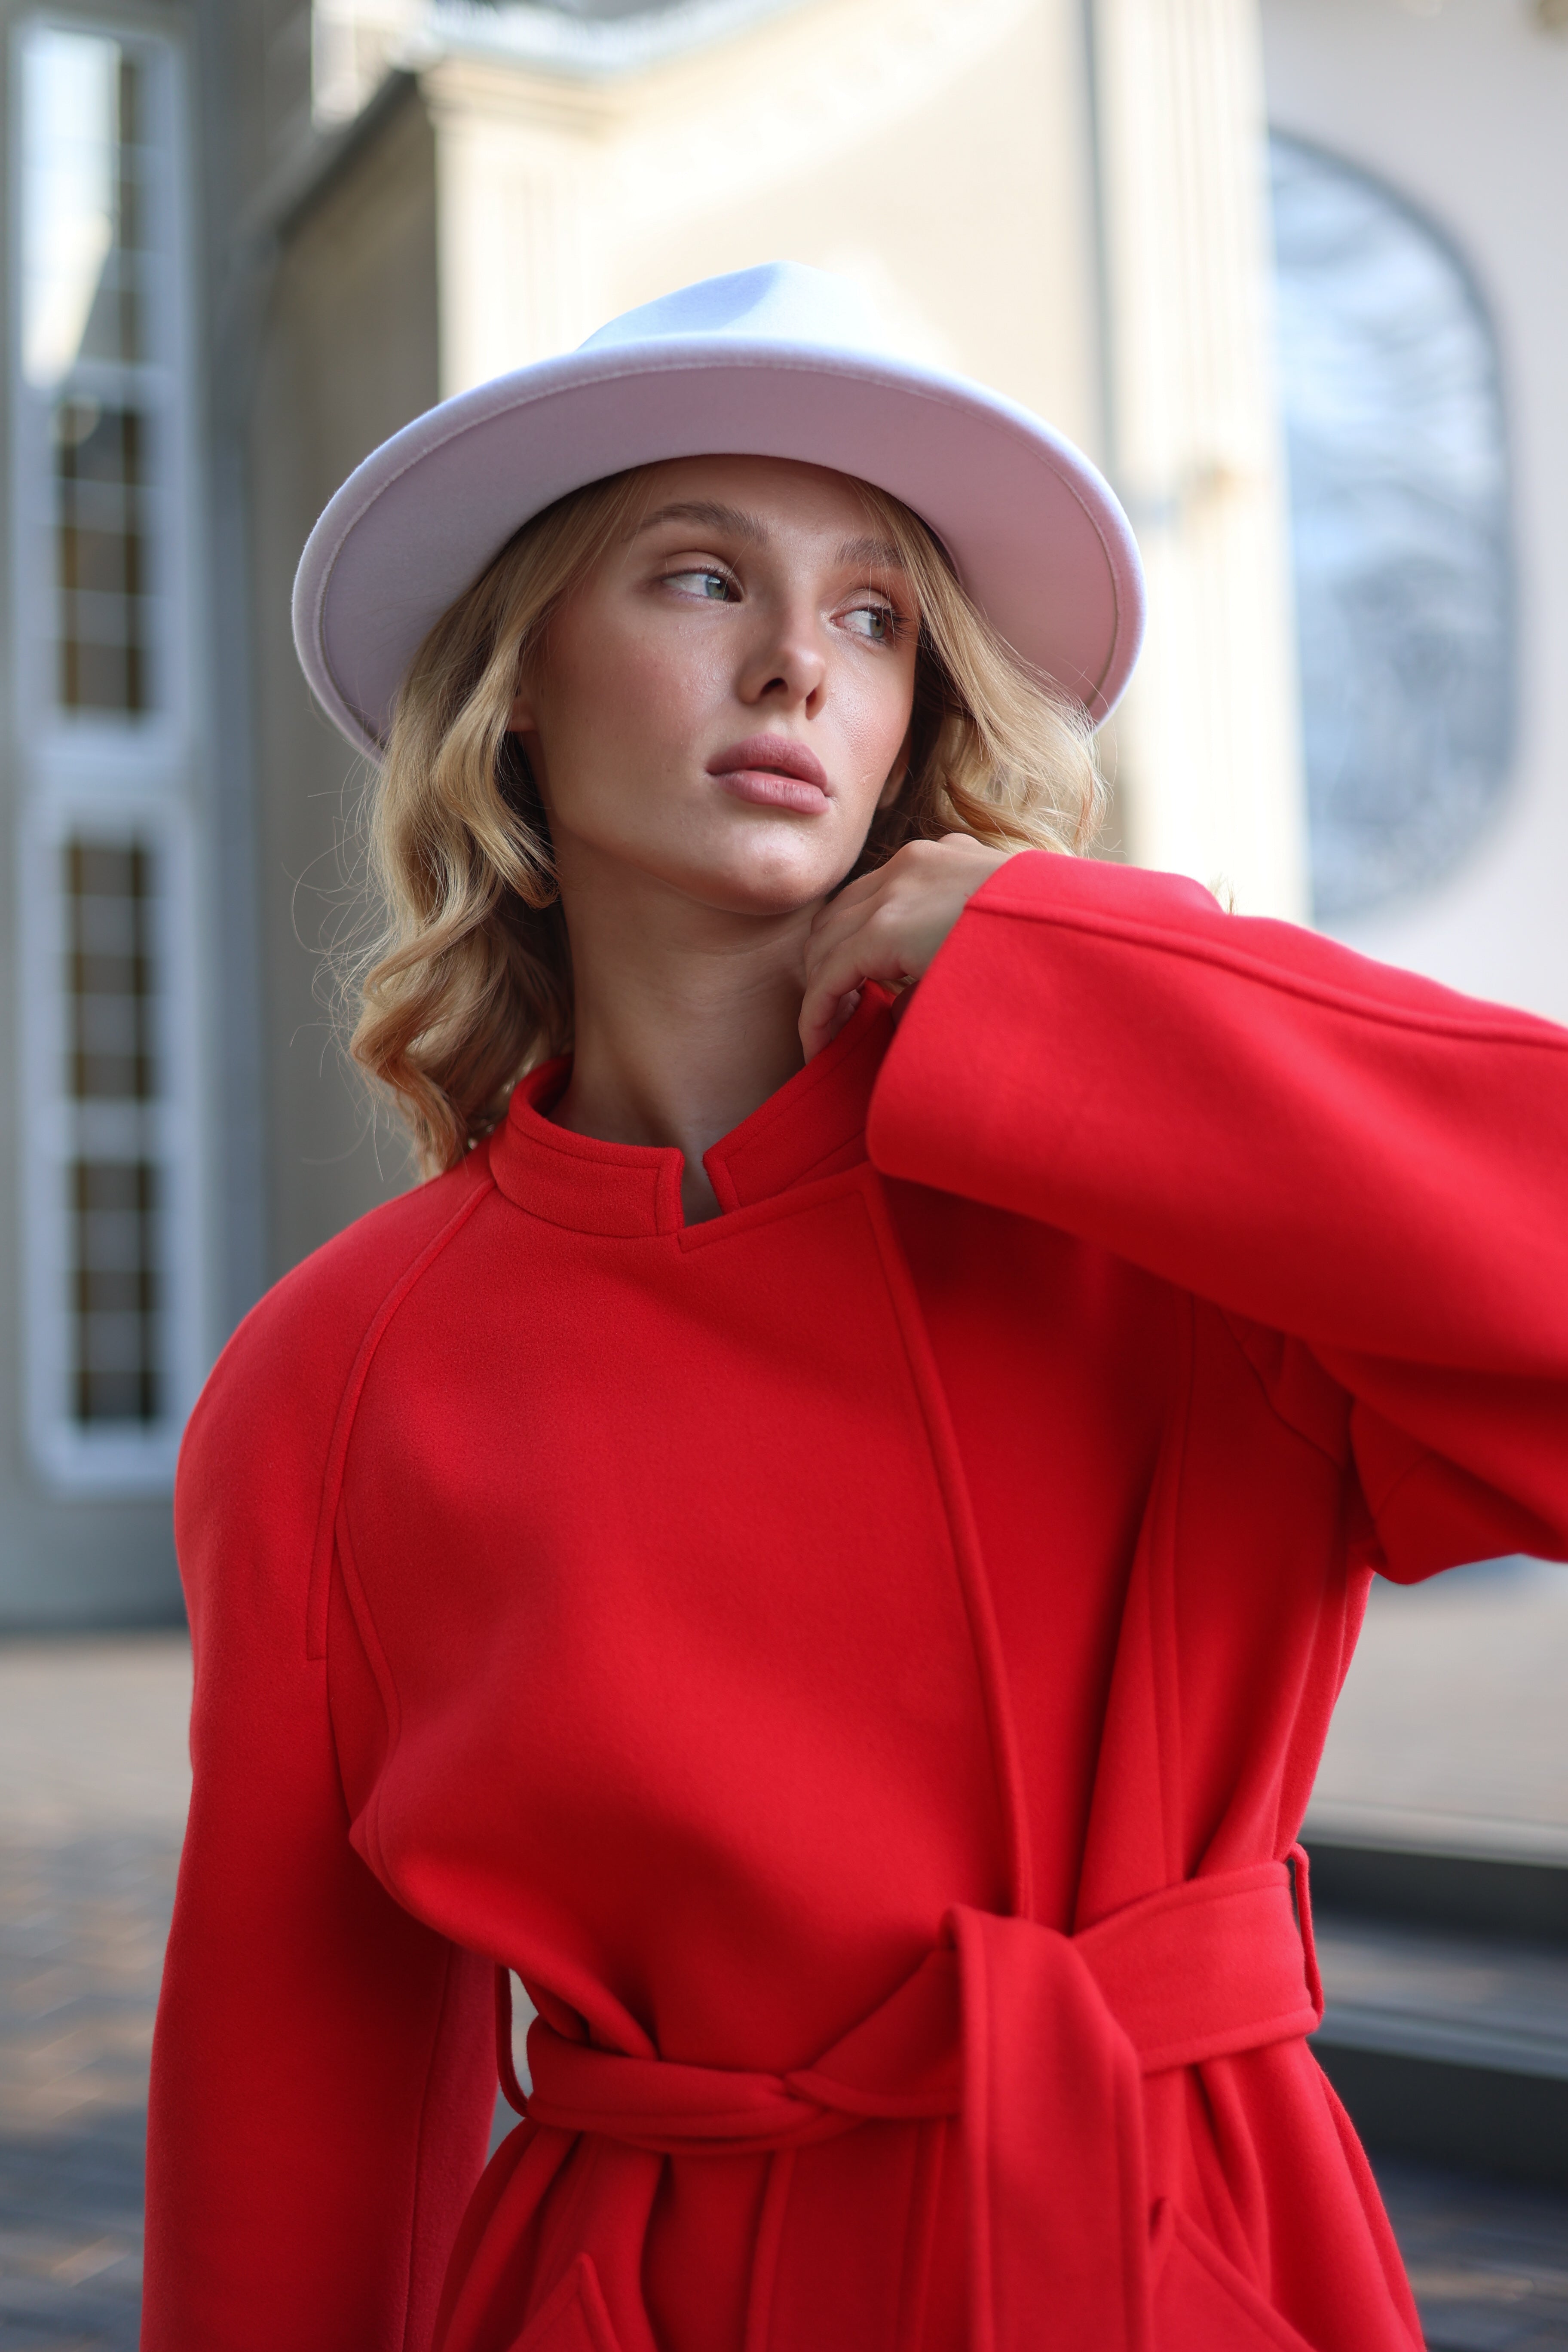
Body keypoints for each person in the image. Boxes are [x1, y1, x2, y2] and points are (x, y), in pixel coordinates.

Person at [141, 264, 1568, 2352]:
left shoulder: (1173, 1221)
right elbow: (292, 2131)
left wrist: (1078, 975)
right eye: (702, 578)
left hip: (1179, 2260)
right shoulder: (337, 1383)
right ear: (517, 681)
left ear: (923, 719)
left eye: (879, 615)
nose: (800, 664)